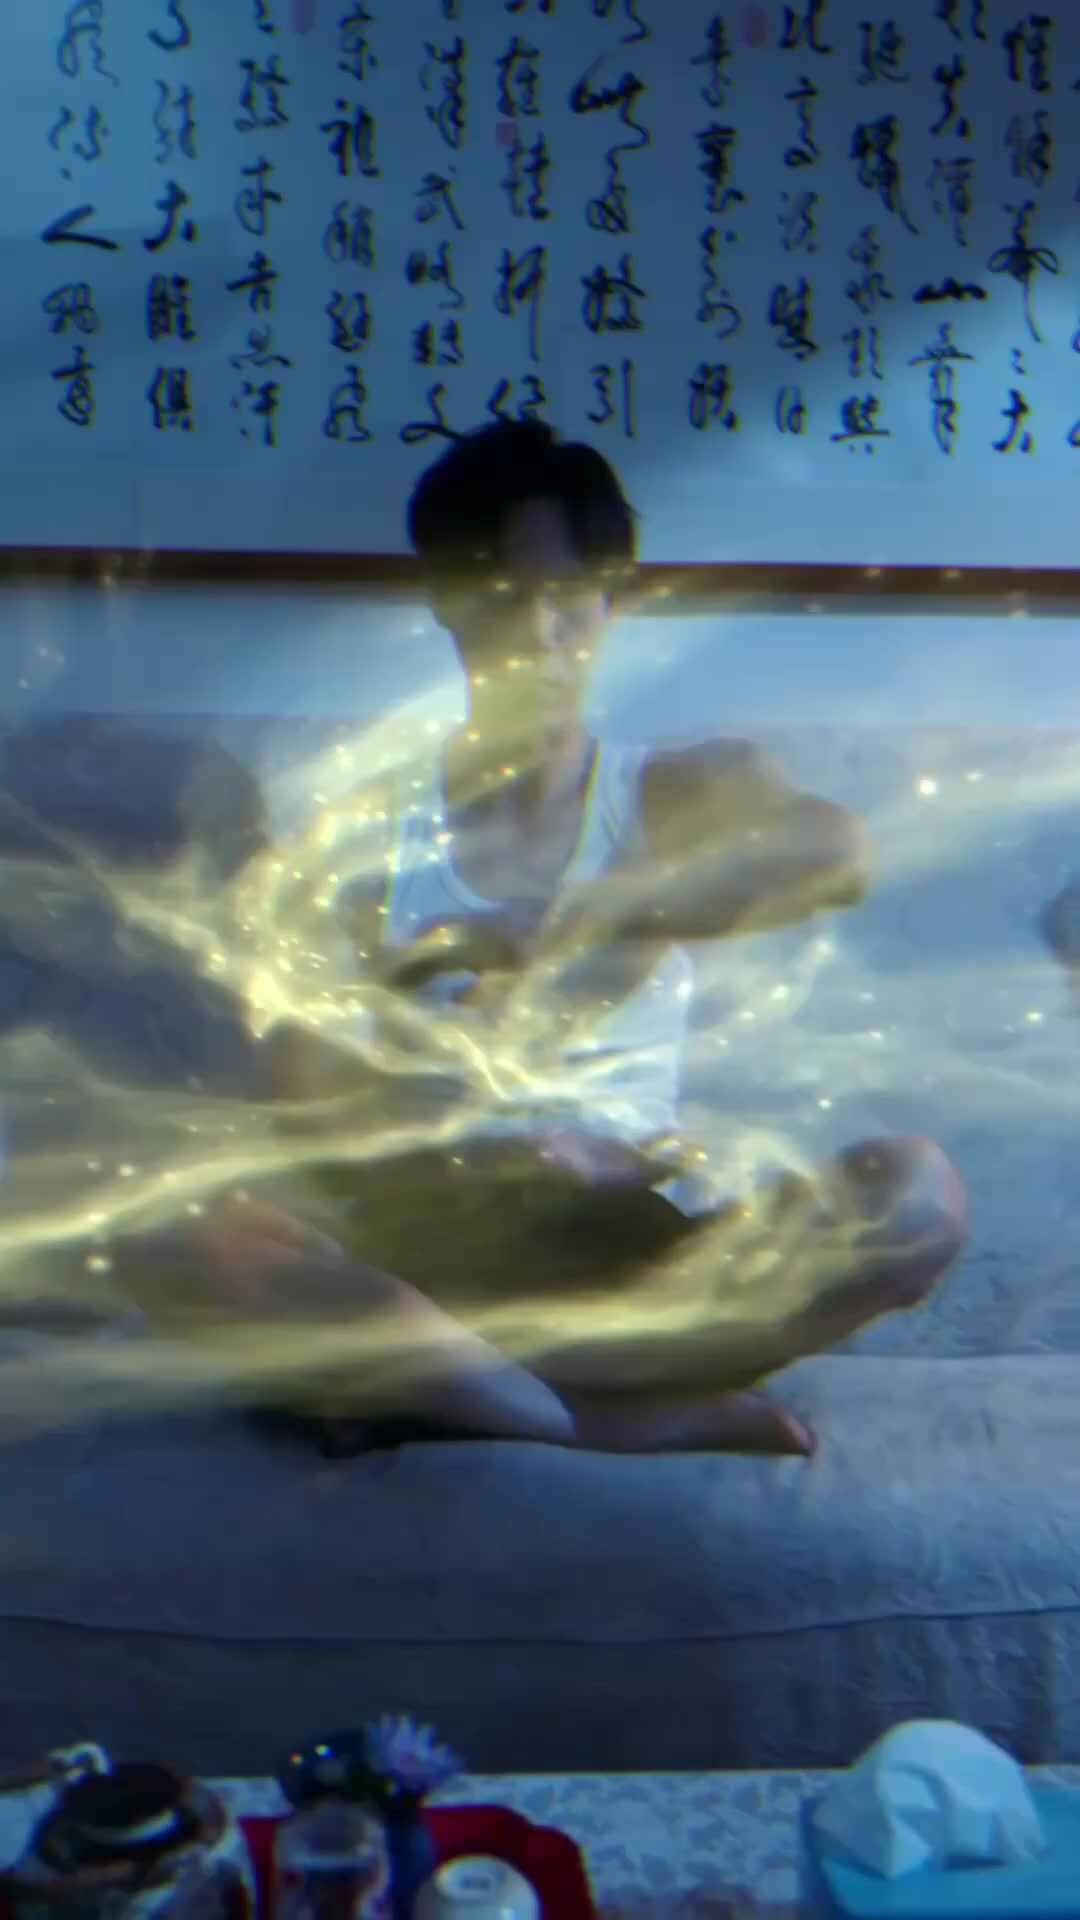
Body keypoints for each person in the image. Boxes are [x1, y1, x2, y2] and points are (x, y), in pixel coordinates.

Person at [277, 419, 969, 1455]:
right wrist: (461, 1126)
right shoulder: (363, 826)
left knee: (916, 1196)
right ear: (446, 601)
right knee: (230, 1245)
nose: (539, 632)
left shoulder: (673, 786)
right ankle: (597, 1413)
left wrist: (583, 919)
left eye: (569, 595)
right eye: (501, 593)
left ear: (612, 602)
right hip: (432, 1239)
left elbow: (834, 853)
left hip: (624, 1250)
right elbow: (304, 1101)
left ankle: (475, 1390)